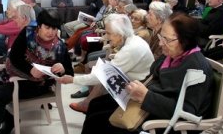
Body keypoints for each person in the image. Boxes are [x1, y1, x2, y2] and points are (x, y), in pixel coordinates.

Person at [79, 12, 213, 134]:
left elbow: (187, 112)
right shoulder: (172, 54)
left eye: (167, 39)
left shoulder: (197, 68)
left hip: (169, 122)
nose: (160, 43)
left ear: (186, 40)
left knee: (100, 122)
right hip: (151, 106)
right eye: (161, 37)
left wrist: (146, 96)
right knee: (96, 104)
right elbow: (155, 79)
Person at [0, 9, 74, 134]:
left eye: (54, 29)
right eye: (47, 27)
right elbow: (14, 56)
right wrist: (30, 70)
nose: (51, 32)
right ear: (39, 26)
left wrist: (62, 68)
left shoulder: (60, 47)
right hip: (12, 73)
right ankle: (10, 120)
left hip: (37, 85)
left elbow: (70, 74)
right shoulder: (28, 33)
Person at [57, 13, 154, 113]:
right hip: (134, 80)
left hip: (137, 87)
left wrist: (72, 79)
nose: (106, 37)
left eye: (108, 33)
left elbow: (101, 76)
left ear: (119, 33)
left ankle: (88, 104)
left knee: (96, 103)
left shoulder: (131, 49)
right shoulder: (133, 40)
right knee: (101, 75)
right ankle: (88, 102)